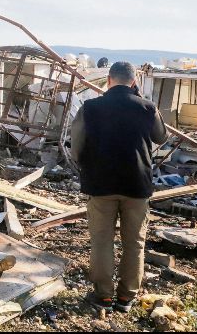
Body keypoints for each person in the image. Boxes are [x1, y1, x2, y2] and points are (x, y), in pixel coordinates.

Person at [70, 61, 167, 313]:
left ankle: (103, 296)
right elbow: (161, 137)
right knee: (134, 243)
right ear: (133, 81)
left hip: (100, 184)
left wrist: (87, 167)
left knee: (101, 242)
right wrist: (143, 103)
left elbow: (76, 147)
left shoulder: (90, 107)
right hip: (137, 185)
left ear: (109, 80)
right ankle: (126, 298)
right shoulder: (147, 107)